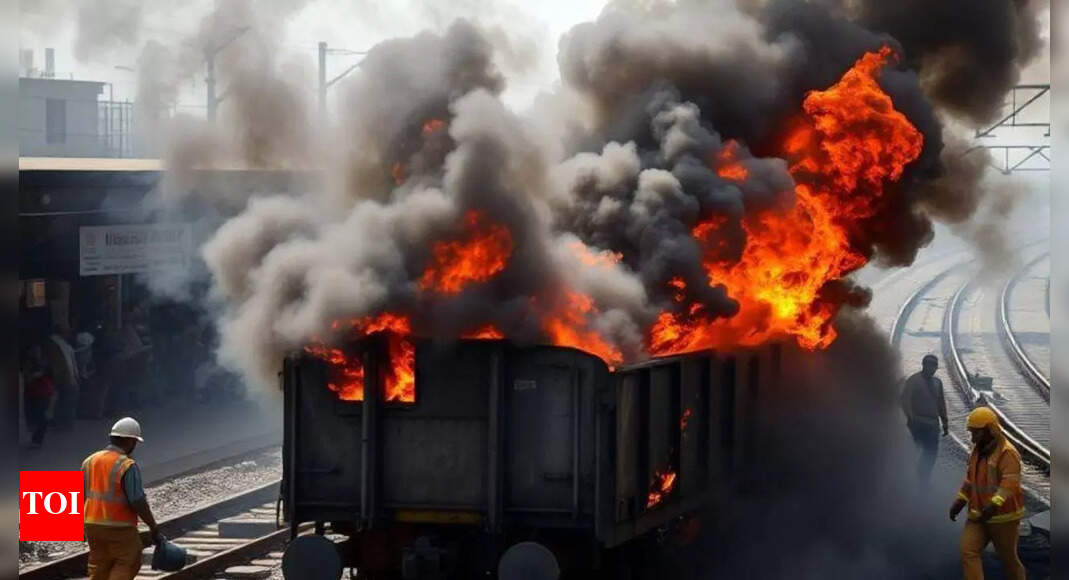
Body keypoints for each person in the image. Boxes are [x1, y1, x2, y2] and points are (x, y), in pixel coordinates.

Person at [949, 407, 1025, 580]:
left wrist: (994, 504)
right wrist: (959, 502)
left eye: (976, 433)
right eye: (972, 433)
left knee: (1009, 561)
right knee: (968, 551)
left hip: (1003, 518)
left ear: (990, 430)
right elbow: (970, 481)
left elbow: (1009, 483)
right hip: (978, 516)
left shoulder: (1007, 453)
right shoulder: (977, 451)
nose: (973, 438)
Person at [83, 417, 162, 580]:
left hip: (92, 524)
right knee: (128, 561)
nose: (135, 446)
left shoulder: (90, 461)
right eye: (134, 441)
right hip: (119, 526)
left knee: (99, 567)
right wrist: (153, 526)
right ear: (128, 440)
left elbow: (80, 494)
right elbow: (137, 500)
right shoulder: (126, 465)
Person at [900, 354, 948, 482]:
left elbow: (941, 403)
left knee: (931, 453)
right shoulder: (914, 380)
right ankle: (913, 477)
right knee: (917, 451)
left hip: (933, 424)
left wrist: (945, 422)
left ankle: (924, 477)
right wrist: (910, 417)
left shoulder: (938, 383)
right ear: (923, 365)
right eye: (929, 365)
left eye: (934, 366)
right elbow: (905, 400)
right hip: (918, 422)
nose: (931, 368)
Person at [46, 324, 81, 429]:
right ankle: (63, 422)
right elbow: (59, 364)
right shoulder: (55, 344)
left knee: (68, 400)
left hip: (69, 377)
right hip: (63, 378)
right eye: (67, 331)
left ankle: (66, 422)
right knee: (65, 401)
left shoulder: (64, 345)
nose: (69, 334)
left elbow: (71, 362)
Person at [22, 342, 53, 447]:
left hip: (43, 393)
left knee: (41, 416)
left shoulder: (43, 363)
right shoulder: (29, 363)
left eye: (38, 351)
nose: (36, 353)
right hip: (34, 393)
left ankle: (37, 440)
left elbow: (42, 375)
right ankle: (35, 439)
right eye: (34, 351)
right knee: (37, 416)